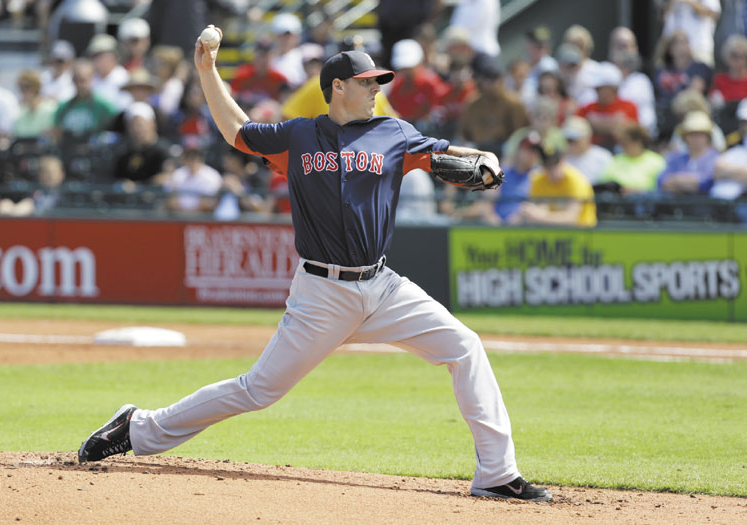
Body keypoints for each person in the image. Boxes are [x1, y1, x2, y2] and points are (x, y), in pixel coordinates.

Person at [77, 25, 553, 503]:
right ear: (338, 87)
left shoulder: (393, 133)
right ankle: (138, 428)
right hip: (322, 293)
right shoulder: (300, 135)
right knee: (258, 390)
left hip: (383, 287)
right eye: (367, 82)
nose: (376, 90)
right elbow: (237, 131)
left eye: (378, 82)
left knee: (464, 346)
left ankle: (496, 472)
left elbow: (454, 156)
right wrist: (208, 71)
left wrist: (487, 159)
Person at [509, 133, 597, 227]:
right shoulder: (538, 179)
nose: (551, 170)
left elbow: (572, 218)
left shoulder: (576, 181)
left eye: (555, 165)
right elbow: (537, 210)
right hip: (552, 232)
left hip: (583, 234)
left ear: (562, 161)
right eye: (548, 166)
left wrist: (541, 217)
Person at [577, 62, 639, 151]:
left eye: (600, 88)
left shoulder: (628, 106)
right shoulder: (587, 107)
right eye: (596, 88)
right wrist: (613, 123)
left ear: (613, 88)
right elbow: (576, 130)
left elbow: (630, 135)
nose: (596, 91)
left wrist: (594, 124)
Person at [658, 110, 719, 194]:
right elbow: (662, 180)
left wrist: (676, 180)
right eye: (692, 134)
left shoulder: (716, 158)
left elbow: (706, 182)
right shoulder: (676, 157)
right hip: (677, 205)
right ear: (685, 137)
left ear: (707, 137)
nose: (696, 138)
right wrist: (689, 182)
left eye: (700, 134)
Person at [597, 124, 667, 194]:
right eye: (621, 143)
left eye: (626, 143)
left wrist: (639, 192)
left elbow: (663, 188)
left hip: (647, 202)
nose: (623, 147)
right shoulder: (616, 160)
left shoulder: (656, 161)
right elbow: (605, 183)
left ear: (638, 141)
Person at [661, 0, 721, 67]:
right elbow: (664, 17)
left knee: (700, 74)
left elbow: (712, 13)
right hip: (672, 47)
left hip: (697, 47)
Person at [562, 115, 613, 185]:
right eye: (568, 140)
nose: (571, 143)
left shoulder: (603, 157)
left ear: (587, 137)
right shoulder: (559, 159)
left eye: (575, 139)